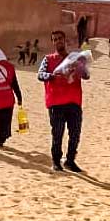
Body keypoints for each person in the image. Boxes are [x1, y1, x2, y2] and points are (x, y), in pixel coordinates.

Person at [38, 30, 89, 172]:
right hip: (56, 103)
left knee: (75, 133)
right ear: (52, 42)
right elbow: (40, 75)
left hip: (74, 102)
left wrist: (80, 67)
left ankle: (70, 160)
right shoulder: (48, 59)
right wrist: (53, 76)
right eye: (54, 39)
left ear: (64, 40)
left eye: (60, 38)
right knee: (58, 133)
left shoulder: (74, 58)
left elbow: (86, 76)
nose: (58, 41)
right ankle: (56, 161)